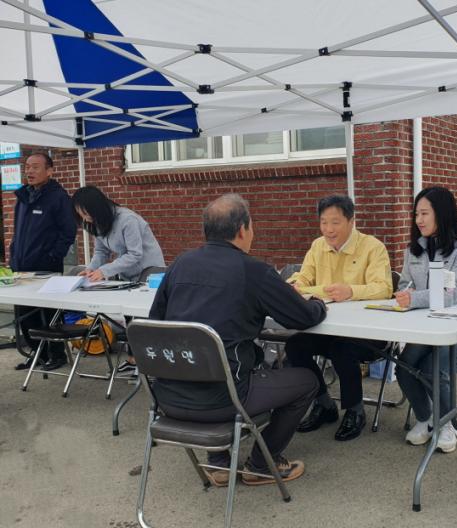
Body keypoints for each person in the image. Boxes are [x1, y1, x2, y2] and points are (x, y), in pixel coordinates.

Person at [148, 194, 326, 487]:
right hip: (226, 400)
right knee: (306, 381)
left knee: (218, 363)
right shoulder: (253, 271)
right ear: (243, 229)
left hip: (167, 399)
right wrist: (318, 303)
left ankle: (218, 464)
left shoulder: (180, 264)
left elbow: (156, 323)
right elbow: (303, 317)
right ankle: (262, 464)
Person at [285, 195, 393, 441]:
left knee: (342, 349)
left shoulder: (372, 247)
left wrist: (351, 291)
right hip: (328, 328)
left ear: (351, 221)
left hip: (367, 331)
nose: (328, 229)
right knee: (295, 346)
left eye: (335, 222)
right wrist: (294, 284)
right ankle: (324, 404)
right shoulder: (317, 246)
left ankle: (355, 410)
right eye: (323, 222)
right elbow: (303, 279)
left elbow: (384, 288)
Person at [394, 187, 457, 453]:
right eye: (416, 214)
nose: (418, 220)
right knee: (404, 367)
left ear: (441, 214)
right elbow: (404, 283)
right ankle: (427, 418)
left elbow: (451, 294)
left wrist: (414, 298)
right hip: (426, 331)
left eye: (424, 214)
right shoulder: (413, 250)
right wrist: (405, 292)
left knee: (432, 368)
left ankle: (448, 424)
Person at [72, 185, 165, 373]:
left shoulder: (127, 220)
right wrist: (91, 269)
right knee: (130, 317)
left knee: (142, 318)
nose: (85, 218)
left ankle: (147, 363)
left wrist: (104, 271)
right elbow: (101, 251)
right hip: (128, 273)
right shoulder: (99, 222)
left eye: (86, 213)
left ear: (97, 207)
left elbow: (135, 254)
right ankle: (134, 361)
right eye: (81, 215)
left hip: (149, 271)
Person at [10, 152, 77, 371]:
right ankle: (38, 353)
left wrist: (53, 256)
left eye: (35, 167)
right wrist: (13, 255)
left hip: (45, 268)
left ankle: (56, 354)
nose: (29, 171)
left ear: (50, 171)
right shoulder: (23, 197)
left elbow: (68, 231)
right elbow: (17, 232)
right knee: (25, 314)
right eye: (27, 167)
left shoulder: (58, 197)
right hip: (21, 268)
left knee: (48, 313)